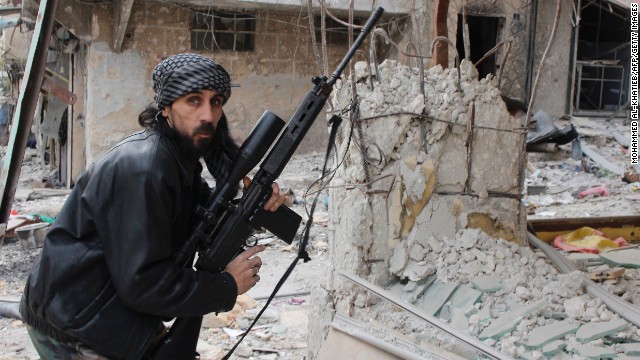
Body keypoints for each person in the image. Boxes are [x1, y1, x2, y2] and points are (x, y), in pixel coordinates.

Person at [20, 53, 286, 359]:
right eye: (193, 101)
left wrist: (255, 206)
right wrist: (225, 287)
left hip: (109, 311)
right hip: (74, 324)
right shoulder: (145, 168)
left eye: (215, 102)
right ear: (166, 107)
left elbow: (204, 223)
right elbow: (144, 284)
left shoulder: (176, 160)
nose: (208, 115)